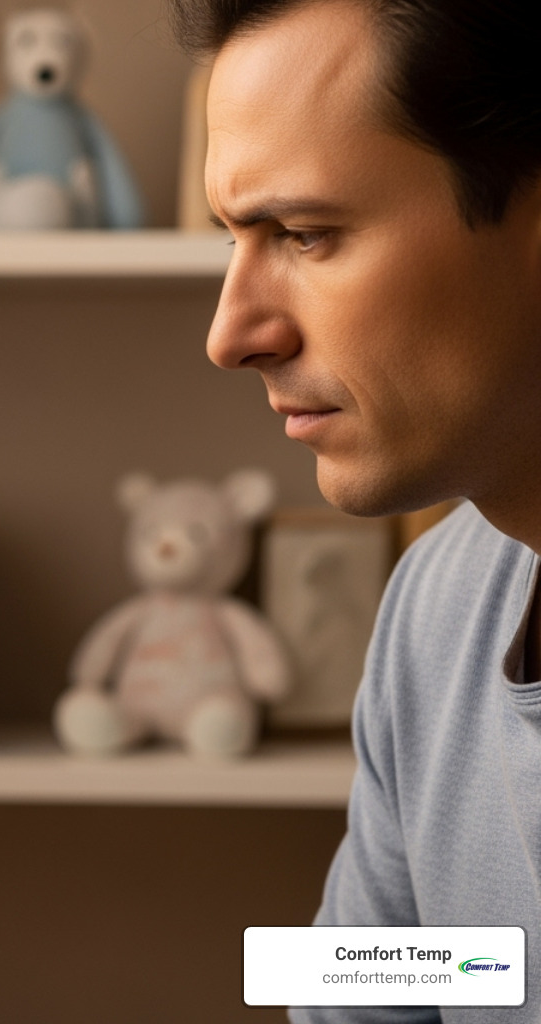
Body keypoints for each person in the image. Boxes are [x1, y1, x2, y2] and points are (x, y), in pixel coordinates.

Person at [169, 0, 541, 1020]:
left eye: (304, 234)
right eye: (234, 238)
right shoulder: (434, 610)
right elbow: (360, 989)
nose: (231, 333)